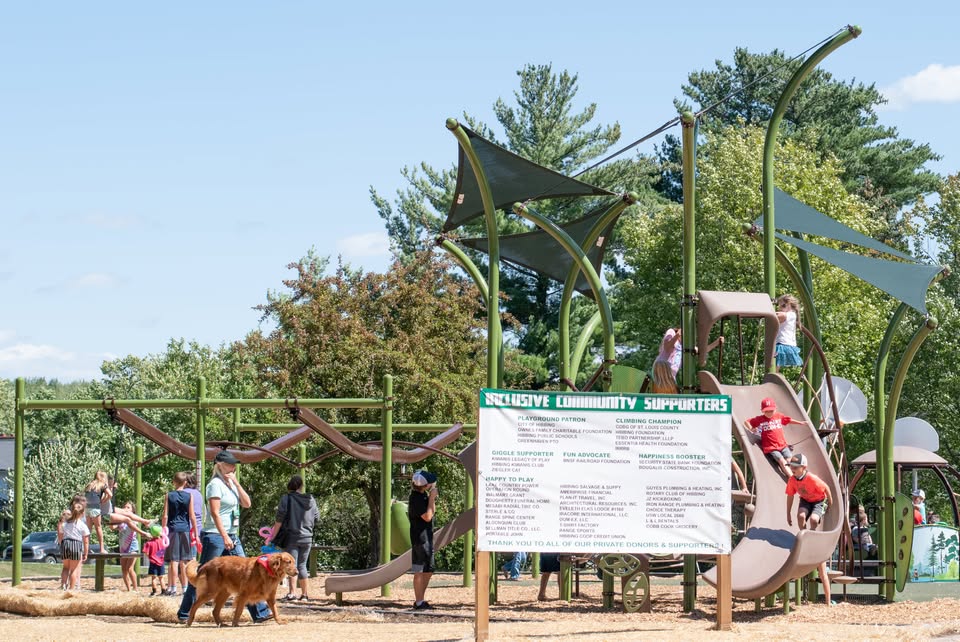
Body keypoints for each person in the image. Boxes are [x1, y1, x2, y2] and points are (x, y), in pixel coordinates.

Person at [176, 450, 272, 624]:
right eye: (229, 464)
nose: (233, 467)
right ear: (219, 465)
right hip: (215, 536)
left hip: (232, 535)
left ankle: (260, 613)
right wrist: (224, 535)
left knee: (249, 573)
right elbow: (214, 513)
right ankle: (184, 613)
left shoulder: (231, 484)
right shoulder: (214, 484)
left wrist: (236, 482)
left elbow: (247, 503)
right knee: (203, 574)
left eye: (234, 464)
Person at [785, 453, 835, 606]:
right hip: (806, 501)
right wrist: (788, 513)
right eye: (791, 467)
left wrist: (831, 504)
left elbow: (826, 488)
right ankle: (804, 535)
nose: (792, 469)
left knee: (813, 519)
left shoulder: (812, 479)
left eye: (795, 467)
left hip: (819, 501)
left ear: (803, 468)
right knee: (801, 516)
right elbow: (790, 496)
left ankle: (812, 534)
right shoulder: (793, 480)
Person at [267, 474, 318, 601]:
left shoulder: (286, 499)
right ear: (301, 486)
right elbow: (317, 518)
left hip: (292, 536)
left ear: (289, 486)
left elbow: (279, 519)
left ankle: (292, 593)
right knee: (302, 565)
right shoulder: (311, 499)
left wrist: (272, 536)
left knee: (291, 565)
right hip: (307, 537)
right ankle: (305, 595)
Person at [744, 397, 806, 477]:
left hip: (782, 445)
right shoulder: (760, 419)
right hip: (771, 447)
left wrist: (800, 423)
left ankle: (797, 475)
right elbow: (747, 422)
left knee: (789, 460)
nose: (769, 413)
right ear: (762, 411)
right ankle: (791, 477)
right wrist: (751, 429)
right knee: (782, 461)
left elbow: (788, 420)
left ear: (775, 409)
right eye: (767, 411)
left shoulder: (778, 416)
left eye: (771, 411)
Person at [162, 471, 200, 596]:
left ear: (174, 482)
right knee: (184, 560)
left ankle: (172, 587)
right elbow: (192, 516)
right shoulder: (189, 496)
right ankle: (184, 587)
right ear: (185, 483)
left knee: (174, 560)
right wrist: (195, 532)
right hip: (184, 529)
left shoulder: (169, 495)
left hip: (172, 529)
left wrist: (163, 529)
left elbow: (165, 515)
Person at [408, 469, 438, 610]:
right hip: (420, 539)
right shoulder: (416, 498)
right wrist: (432, 498)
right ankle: (419, 601)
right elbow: (428, 516)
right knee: (419, 569)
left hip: (426, 537)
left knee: (429, 569)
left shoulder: (422, 495)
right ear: (425, 485)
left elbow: (432, 511)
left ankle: (421, 599)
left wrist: (431, 498)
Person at [59, 495, 89, 590]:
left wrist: (61, 543)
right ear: (82, 513)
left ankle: (63, 585)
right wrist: (86, 553)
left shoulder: (65, 523)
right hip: (76, 544)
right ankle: (71, 589)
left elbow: (61, 533)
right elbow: (86, 541)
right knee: (74, 569)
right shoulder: (82, 525)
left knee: (66, 567)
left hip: (65, 544)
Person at [114, 501, 141, 591]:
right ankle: (129, 589)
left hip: (132, 546)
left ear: (133, 511)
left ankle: (136, 589)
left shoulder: (133, 520)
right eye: (124, 507)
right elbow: (112, 527)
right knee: (123, 569)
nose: (126, 509)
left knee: (130, 568)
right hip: (123, 547)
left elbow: (134, 527)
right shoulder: (120, 521)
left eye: (128, 507)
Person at [84, 471, 110, 553]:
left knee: (88, 529)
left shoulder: (90, 485)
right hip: (95, 507)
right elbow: (110, 494)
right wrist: (104, 500)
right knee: (98, 527)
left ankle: (86, 549)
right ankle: (102, 549)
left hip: (87, 508)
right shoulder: (102, 484)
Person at [774, 294, 803, 368]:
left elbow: (780, 316)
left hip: (784, 344)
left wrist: (769, 312)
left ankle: (774, 376)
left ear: (789, 305)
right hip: (781, 343)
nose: (780, 308)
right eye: (779, 306)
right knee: (775, 364)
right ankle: (775, 375)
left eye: (783, 306)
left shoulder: (791, 314)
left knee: (774, 363)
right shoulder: (787, 314)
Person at [184, 472, 204, 558]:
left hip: (184, 528)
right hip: (197, 529)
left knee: (181, 559)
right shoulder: (199, 494)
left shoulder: (182, 493)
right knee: (192, 558)